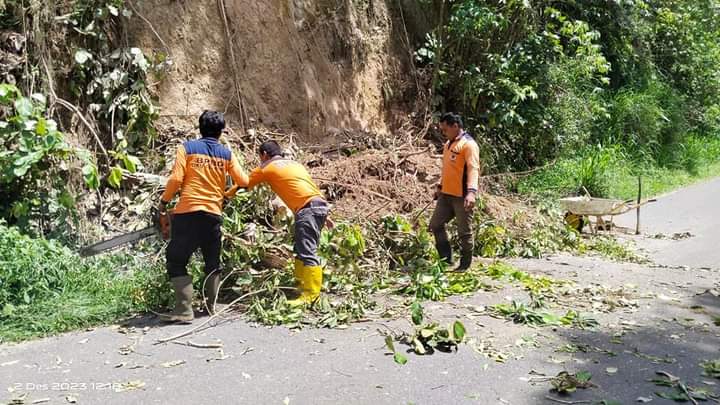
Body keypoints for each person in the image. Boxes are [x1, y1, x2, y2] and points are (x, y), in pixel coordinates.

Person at [158, 110, 248, 323]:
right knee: (212, 262)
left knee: (176, 260)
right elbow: (244, 181)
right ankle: (210, 307)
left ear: (200, 128)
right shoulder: (226, 154)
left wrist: (164, 201)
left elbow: (176, 179)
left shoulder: (187, 148)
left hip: (187, 213)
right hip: (212, 215)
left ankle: (183, 310)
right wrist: (226, 195)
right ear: (221, 131)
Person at [243, 140, 329, 306]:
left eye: (260, 157)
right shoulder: (295, 165)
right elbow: (308, 187)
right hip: (318, 206)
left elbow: (244, 183)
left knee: (307, 251)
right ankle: (300, 287)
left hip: (307, 209)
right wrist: (324, 214)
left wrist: (225, 196)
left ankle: (311, 295)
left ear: (264, 155)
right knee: (300, 248)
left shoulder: (267, 167)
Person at [428, 113, 481, 272]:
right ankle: (446, 260)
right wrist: (440, 186)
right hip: (446, 195)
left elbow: (473, 169)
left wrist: (471, 192)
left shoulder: (469, 145)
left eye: (445, 129)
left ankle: (465, 265)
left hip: (462, 195)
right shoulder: (448, 144)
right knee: (436, 225)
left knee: (464, 231)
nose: (443, 132)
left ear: (455, 126)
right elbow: (447, 169)